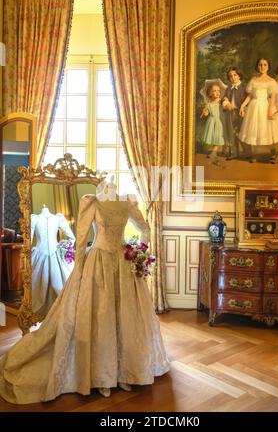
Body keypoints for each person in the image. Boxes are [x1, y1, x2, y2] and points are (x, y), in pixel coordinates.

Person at [0, 179, 169, 404]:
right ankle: (101, 376)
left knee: (125, 318)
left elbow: (145, 229)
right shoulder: (92, 202)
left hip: (122, 264)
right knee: (101, 317)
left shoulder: (127, 202)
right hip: (97, 263)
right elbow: (81, 239)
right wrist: (78, 269)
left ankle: (126, 372)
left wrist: (138, 253)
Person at [239, 57, 278, 163]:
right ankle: (255, 155)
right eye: (260, 65)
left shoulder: (271, 81)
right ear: (257, 66)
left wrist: (270, 110)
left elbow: (273, 98)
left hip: (265, 106)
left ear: (268, 67)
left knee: (268, 130)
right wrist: (243, 105)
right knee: (255, 129)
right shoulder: (254, 79)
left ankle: (274, 154)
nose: (262, 67)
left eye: (265, 65)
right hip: (254, 106)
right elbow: (250, 96)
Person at [31, 205, 75, 315]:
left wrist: (64, 247)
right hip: (41, 252)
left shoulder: (57, 218)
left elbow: (72, 238)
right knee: (41, 283)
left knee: (57, 283)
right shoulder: (34, 218)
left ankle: (59, 311)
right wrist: (67, 245)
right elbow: (72, 238)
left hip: (53, 252)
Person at [222, 67, 248, 159]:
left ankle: (248, 152)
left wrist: (243, 107)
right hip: (231, 112)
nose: (233, 77)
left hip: (241, 112)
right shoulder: (229, 88)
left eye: (235, 75)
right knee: (232, 132)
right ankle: (234, 153)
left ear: (239, 75)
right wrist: (227, 102)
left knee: (243, 131)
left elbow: (249, 98)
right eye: (230, 76)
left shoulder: (244, 87)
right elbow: (225, 97)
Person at [200, 79, 227, 161]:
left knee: (218, 136)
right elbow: (206, 113)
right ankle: (215, 151)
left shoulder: (221, 102)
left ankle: (215, 152)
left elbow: (225, 109)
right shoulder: (208, 104)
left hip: (219, 121)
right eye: (214, 91)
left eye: (218, 90)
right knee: (213, 137)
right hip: (212, 121)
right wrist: (205, 112)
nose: (217, 92)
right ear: (210, 93)